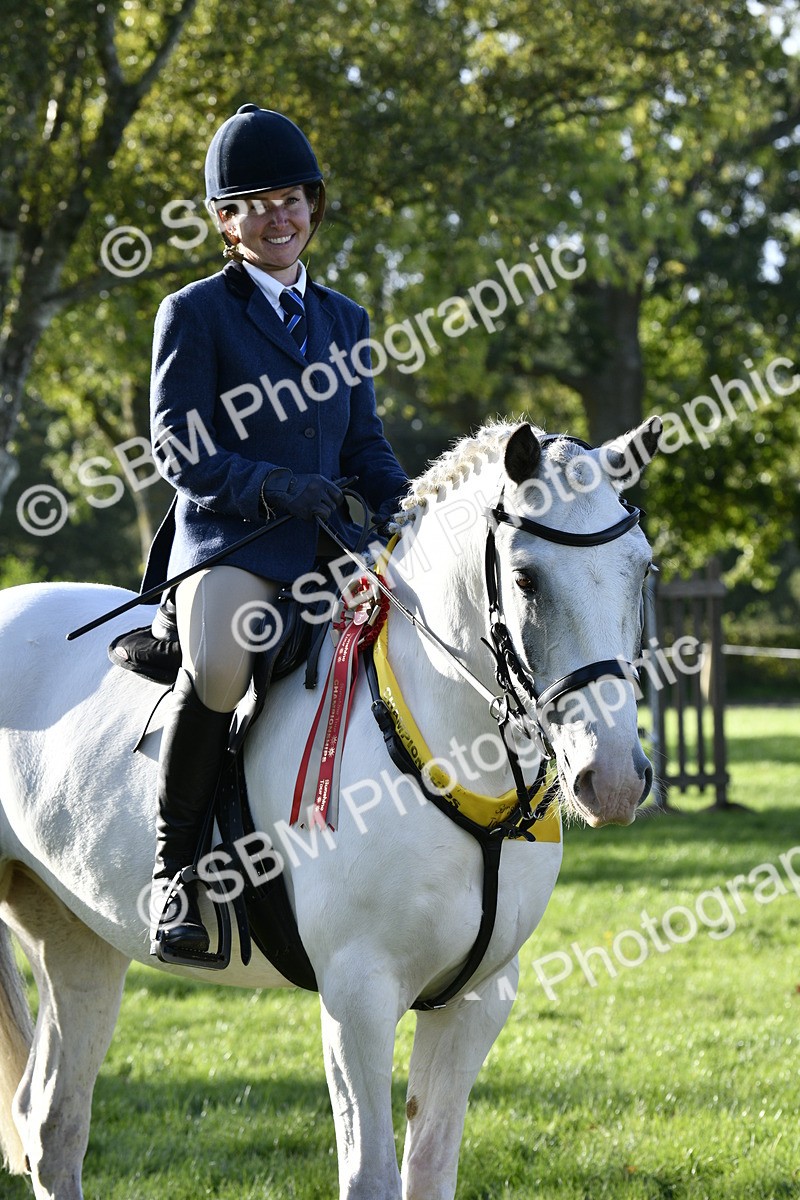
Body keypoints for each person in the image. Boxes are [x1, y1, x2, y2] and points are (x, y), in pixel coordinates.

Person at [144, 103, 409, 962]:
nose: (280, 215)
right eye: (256, 203)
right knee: (221, 667)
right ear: (227, 220)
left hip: (330, 549)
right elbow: (178, 449)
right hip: (233, 546)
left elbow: (365, 447)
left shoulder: (346, 320)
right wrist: (270, 486)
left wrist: (410, 508)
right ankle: (173, 872)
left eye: (291, 198)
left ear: (313, 205)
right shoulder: (194, 313)